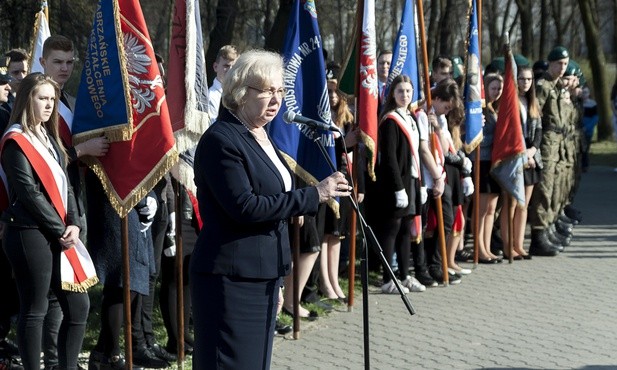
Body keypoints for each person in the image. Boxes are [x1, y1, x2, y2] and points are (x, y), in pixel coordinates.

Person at [190, 49, 350, 369]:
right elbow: (245, 207)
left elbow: (274, 195)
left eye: (279, 91)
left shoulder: (261, 134)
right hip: (230, 279)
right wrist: (312, 195)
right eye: (266, 91)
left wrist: (277, 280)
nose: (275, 99)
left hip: (263, 274)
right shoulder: (221, 140)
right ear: (239, 93)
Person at [1, 73, 90, 370]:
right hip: (28, 233)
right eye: (43, 98)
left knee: (79, 307)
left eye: (52, 99)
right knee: (35, 308)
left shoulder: (48, 137)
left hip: (61, 231)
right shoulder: (16, 141)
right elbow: (28, 192)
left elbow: (67, 184)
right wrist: (60, 229)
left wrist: (74, 222)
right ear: (28, 99)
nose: (49, 104)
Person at [366, 74, 426, 293]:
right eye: (400, 91)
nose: (405, 95)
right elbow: (389, 157)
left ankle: (404, 275)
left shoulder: (411, 117)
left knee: (405, 230)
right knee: (392, 229)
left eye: (408, 91)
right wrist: (399, 188)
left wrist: (420, 185)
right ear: (393, 93)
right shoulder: (390, 120)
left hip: (411, 180)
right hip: (395, 183)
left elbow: (416, 153)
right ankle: (387, 278)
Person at [528, 46, 572, 256]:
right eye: (559, 64)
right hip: (546, 142)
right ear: (551, 63)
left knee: (554, 187)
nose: (562, 68)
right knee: (544, 189)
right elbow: (535, 116)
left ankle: (548, 228)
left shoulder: (557, 86)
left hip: (558, 143)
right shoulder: (543, 85)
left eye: (565, 64)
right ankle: (538, 235)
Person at [504, 66, 542, 259]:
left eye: (529, 79)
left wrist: (533, 151)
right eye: (522, 79)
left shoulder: (533, 102)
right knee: (511, 204)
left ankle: (519, 245)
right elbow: (510, 133)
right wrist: (523, 155)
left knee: (523, 205)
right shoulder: (510, 101)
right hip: (515, 158)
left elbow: (539, 131)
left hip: (531, 157)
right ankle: (508, 246)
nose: (525, 83)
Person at [472, 73, 504, 263]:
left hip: (494, 163)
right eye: (493, 88)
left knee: (491, 209)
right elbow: (477, 139)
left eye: (499, 89)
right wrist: (499, 141)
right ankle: (479, 248)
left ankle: (487, 246)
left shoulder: (495, 109)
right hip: (482, 161)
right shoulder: (480, 110)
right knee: (482, 209)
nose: (497, 92)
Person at [207, 45, 238, 120]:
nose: (230, 70)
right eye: (226, 66)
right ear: (215, 67)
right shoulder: (211, 97)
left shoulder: (238, 94)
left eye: (233, 67)